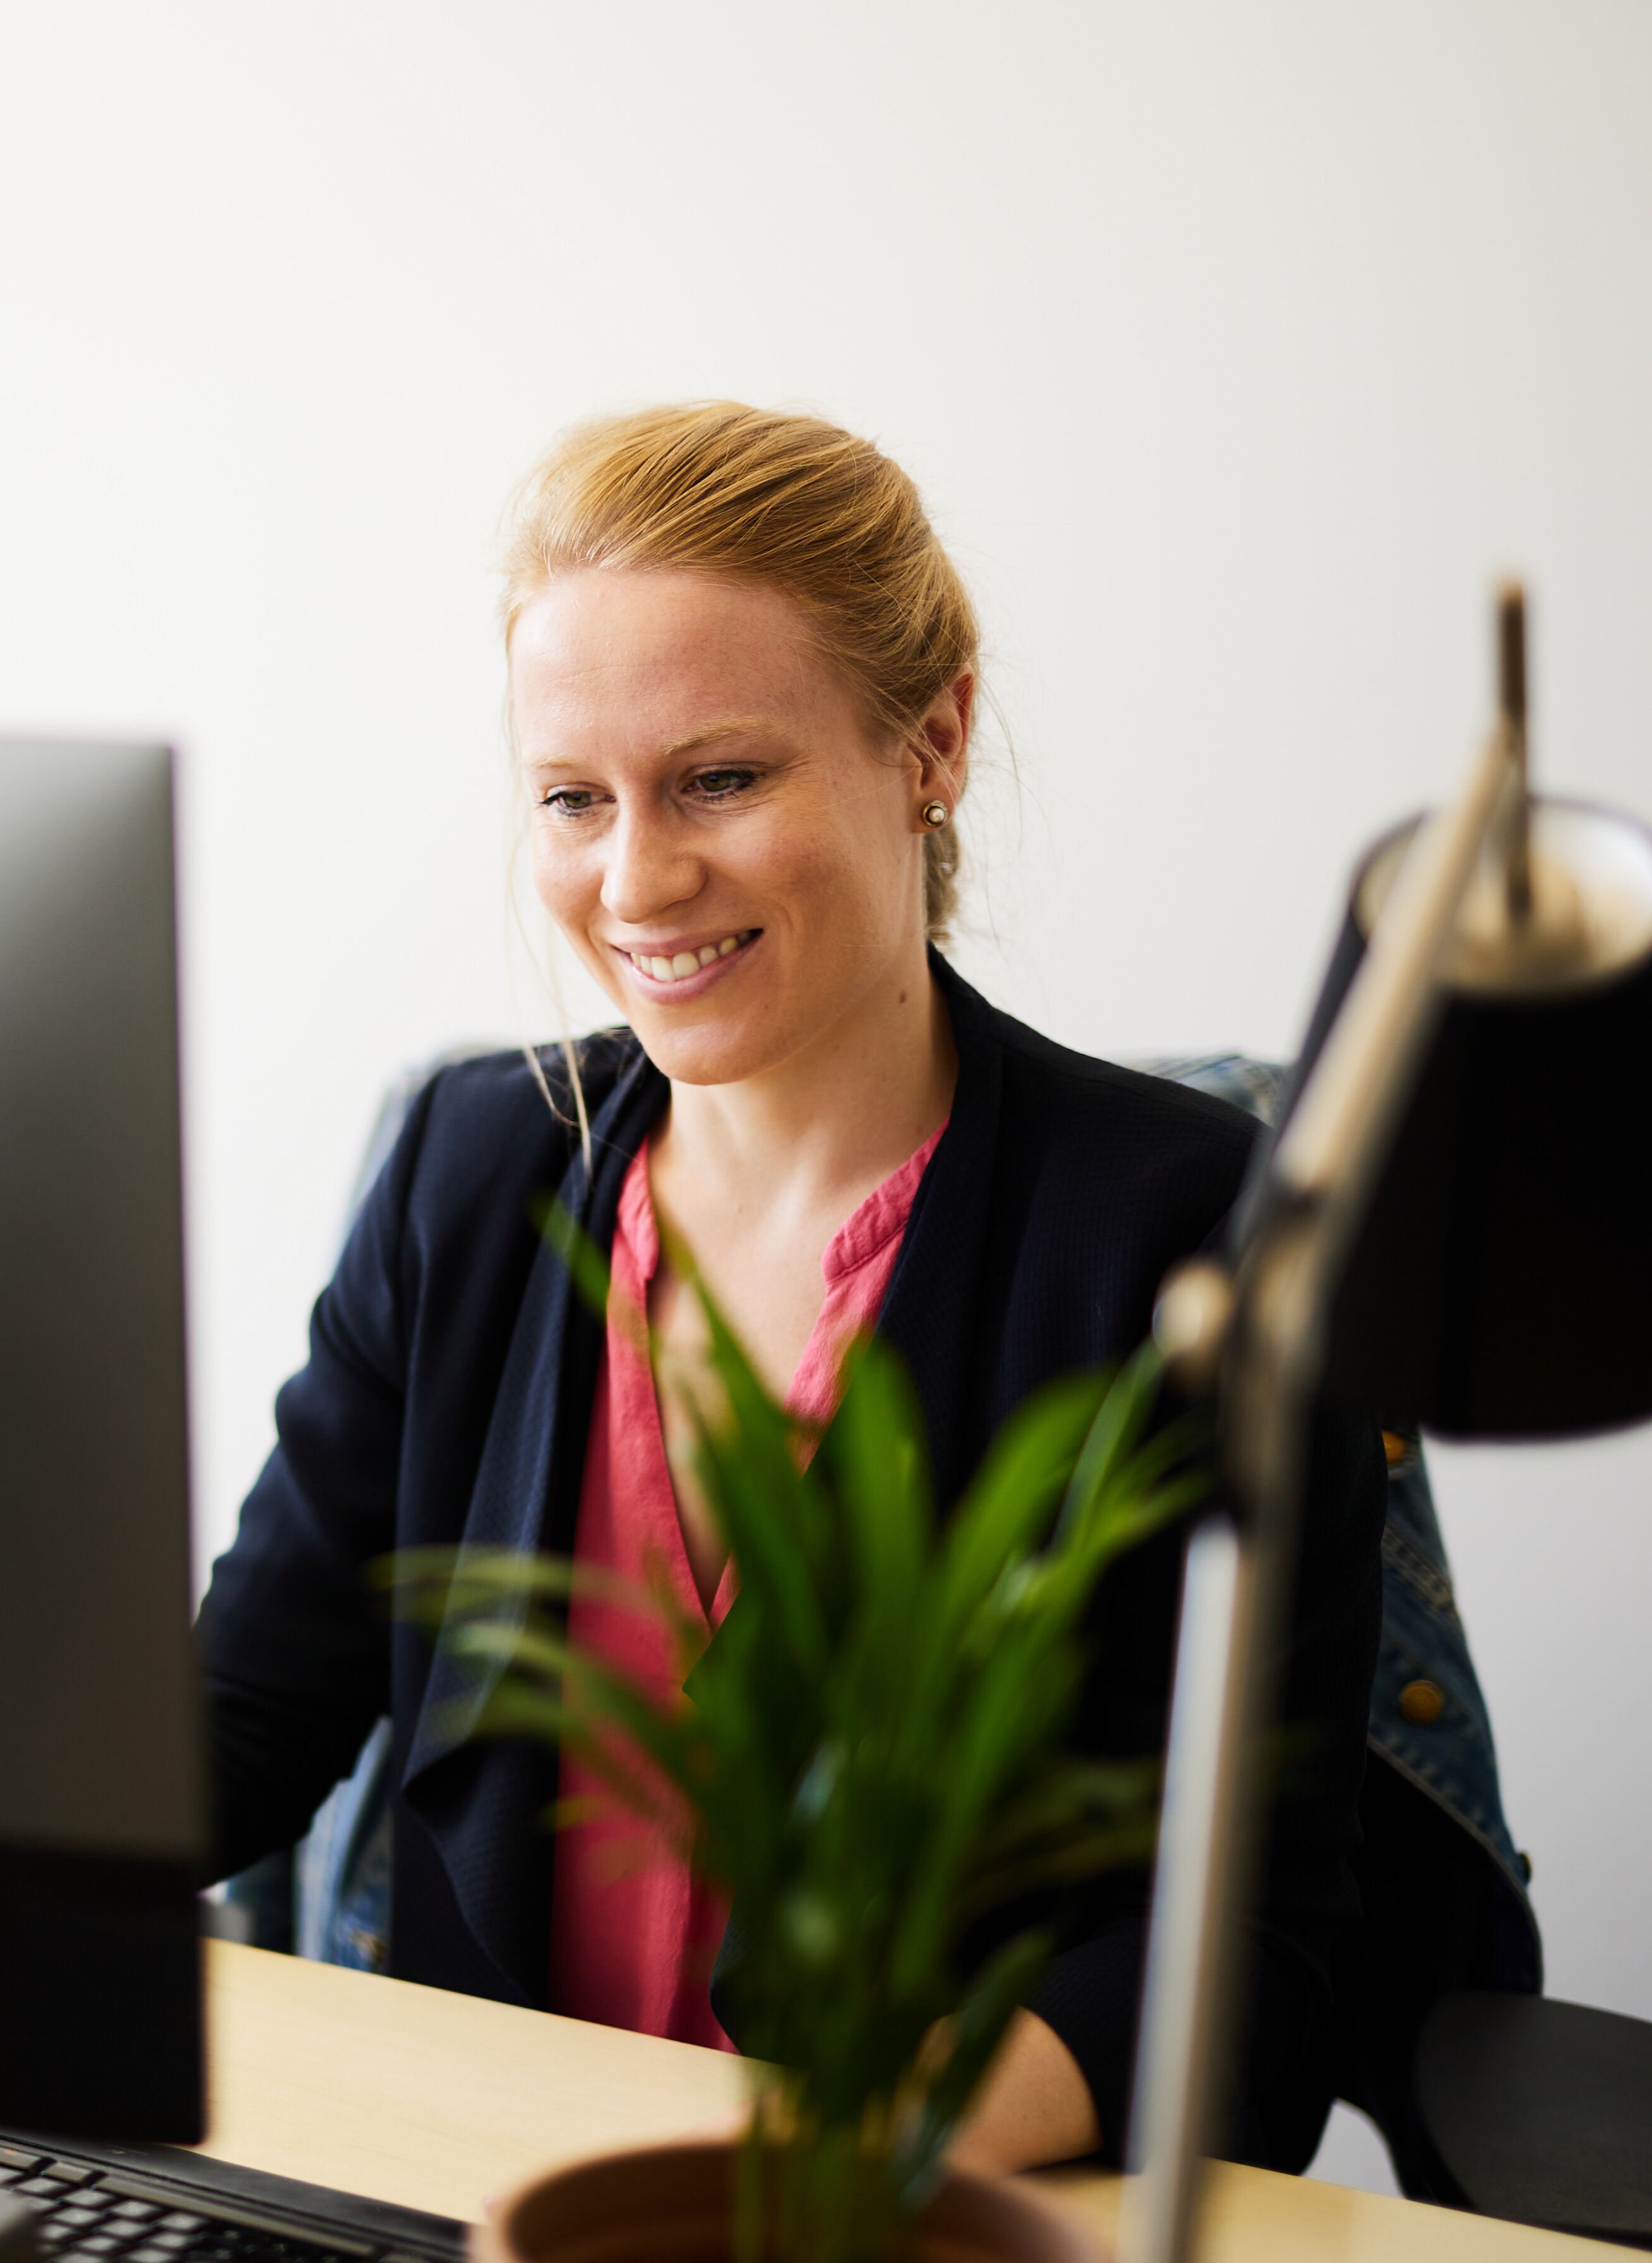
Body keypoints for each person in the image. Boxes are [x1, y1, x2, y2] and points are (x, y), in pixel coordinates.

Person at [194, 403, 1382, 2173]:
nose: (637, 879)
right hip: (478, 2201)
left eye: (721, 780)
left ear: (934, 739)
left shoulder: (1183, 1237)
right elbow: (249, 1712)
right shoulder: (471, 1172)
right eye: (573, 800)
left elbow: (1258, 1937)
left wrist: (842, 2169)